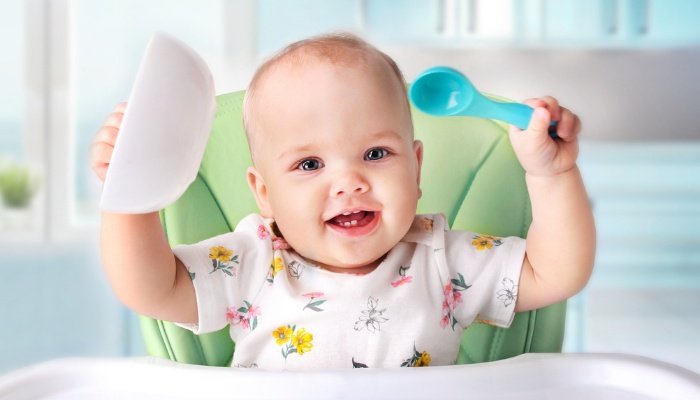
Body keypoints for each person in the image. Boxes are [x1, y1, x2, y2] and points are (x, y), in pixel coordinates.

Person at [91, 33, 595, 369]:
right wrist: (130, 195)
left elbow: (555, 273)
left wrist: (551, 175)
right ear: (264, 194)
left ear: (416, 169)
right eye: (310, 165)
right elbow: (151, 288)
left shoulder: (442, 259)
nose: (349, 182)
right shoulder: (253, 262)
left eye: (376, 153)